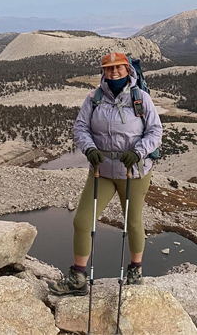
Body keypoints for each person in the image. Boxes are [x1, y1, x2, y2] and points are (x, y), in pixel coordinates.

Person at [48, 52, 163, 296]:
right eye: (108, 69)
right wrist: (89, 149)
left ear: (127, 69)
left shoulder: (140, 98)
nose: (114, 72)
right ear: (103, 72)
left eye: (118, 68)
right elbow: (80, 127)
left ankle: (135, 272)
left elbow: (155, 131)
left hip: (134, 171)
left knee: (132, 222)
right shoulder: (94, 98)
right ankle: (78, 277)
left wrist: (139, 152)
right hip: (103, 170)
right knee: (82, 221)